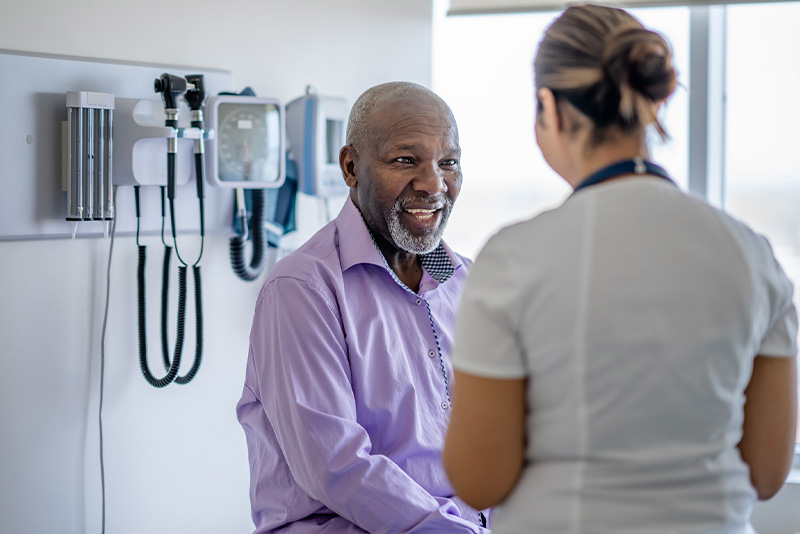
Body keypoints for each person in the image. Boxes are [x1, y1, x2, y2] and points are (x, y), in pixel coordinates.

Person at [443, 4, 798, 533]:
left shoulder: (514, 259)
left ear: (550, 107)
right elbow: (767, 473)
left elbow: (479, 481)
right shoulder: (753, 255)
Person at [237, 81, 489, 533]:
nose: (434, 184)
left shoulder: (468, 284)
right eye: (406, 160)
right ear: (351, 166)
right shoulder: (302, 289)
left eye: (448, 162)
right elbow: (337, 467)